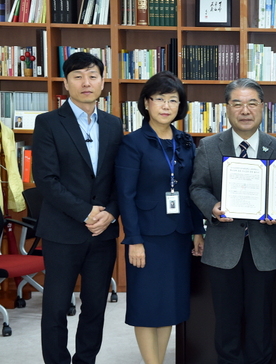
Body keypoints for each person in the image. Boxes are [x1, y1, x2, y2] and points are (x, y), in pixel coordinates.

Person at [190, 78, 276, 364]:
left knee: (261, 321)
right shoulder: (209, 146)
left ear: (263, 107)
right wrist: (213, 207)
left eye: (251, 103)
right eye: (237, 104)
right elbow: (197, 187)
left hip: (264, 247)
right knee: (226, 322)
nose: (245, 110)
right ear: (227, 109)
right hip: (223, 246)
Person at [32, 52, 123, 364]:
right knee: (56, 306)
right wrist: (87, 213)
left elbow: (117, 178)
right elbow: (46, 179)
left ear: (102, 82)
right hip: (63, 231)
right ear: (66, 83)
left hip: (103, 232)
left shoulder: (113, 125)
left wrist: (110, 212)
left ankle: (86, 360)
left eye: (93, 76)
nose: (87, 82)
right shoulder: (47, 123)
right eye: (78, 76)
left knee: (95, 306)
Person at [115, 71, 205, 364]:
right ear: (146, 103)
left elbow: (193, 190)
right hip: (148, 237)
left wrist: (197, 231)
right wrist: (134, 240)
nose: (166, 106)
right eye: (160, 99)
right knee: (146, 304)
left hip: (178, 236)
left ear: (181, 105)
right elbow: (125, 196)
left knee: (170, 304)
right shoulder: (133, 143)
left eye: (173, 100)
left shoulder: (186, 141)